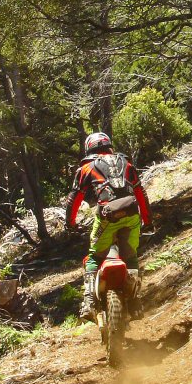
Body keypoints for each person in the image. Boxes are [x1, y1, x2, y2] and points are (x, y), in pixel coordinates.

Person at [65, 132, 152, 321]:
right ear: (109, 145)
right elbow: (140, 192)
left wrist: (70, 223)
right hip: (131, 215)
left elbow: (75, 198)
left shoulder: (87, 168)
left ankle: (88, 301)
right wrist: (148, 220)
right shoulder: (126, 164)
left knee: (94, 257)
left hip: (107, 218)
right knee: (130, 256)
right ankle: (135, 301)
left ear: (89, 148)